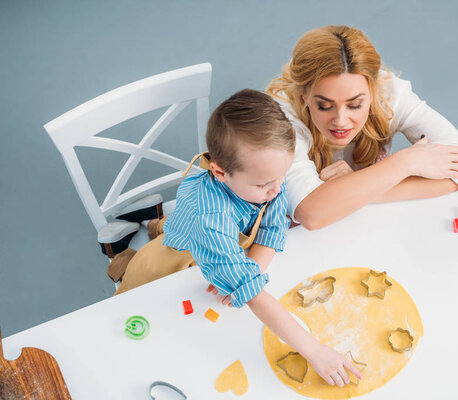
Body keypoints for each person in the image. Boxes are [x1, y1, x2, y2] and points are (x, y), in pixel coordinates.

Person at [112, 89, 362, 387]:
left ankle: (152, 220)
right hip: (170, 270)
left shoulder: (267, 177)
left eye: (281, 177)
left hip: (217, 245)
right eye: (264, 184)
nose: (276, 189)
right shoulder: (212, 220)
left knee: (185, 226)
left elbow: (272, 224)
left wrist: (248, 271)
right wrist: (314, 350)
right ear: (219, 172)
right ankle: (121, 245)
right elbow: (254, 297)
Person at [267, 25, 458, 230]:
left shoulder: (390, 94)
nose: (341, 121)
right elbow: (311, 213)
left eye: (355, 105)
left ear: (372, 91)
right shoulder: (279, 117)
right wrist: (407, 161)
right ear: (304, 96)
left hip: (367, 224)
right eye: (324, 106)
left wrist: (358, 189)